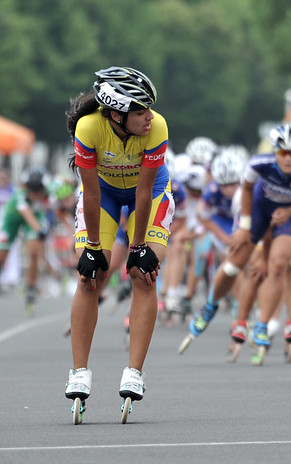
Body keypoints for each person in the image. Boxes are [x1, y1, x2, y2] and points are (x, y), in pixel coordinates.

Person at [64, 66, 172, 423]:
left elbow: (144, 191)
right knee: (90, 274)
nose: (150, 116)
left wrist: (139, 246)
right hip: (105, 195)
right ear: (116, 114)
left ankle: (135, 371)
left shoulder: (156, 127)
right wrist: (93, 247)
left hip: (151, 192)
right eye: (141, 111)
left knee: (144, 273)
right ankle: (79, 371)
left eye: (149, 108)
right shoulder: (89, 128)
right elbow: (91, 192)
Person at [179, 122, 291, 356]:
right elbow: (246, 188)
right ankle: (210, 306)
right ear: (275, 151)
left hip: (289, 218)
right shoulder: (259, 164)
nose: (288, 159)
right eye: (282, 152)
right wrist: (245, 228)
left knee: (277, 265)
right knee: (234, 266)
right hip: (257, 212)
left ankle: (262, 325)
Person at [0, 168, 52, 315]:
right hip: (13, 220)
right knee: (2, 255)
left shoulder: (46, 191)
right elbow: (27, 215)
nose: (35, 194)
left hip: (34, 218)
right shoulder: (20, 197)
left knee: (34, 253)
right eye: (32, 191)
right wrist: (40, 229)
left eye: (38, 191)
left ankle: (30, 288)